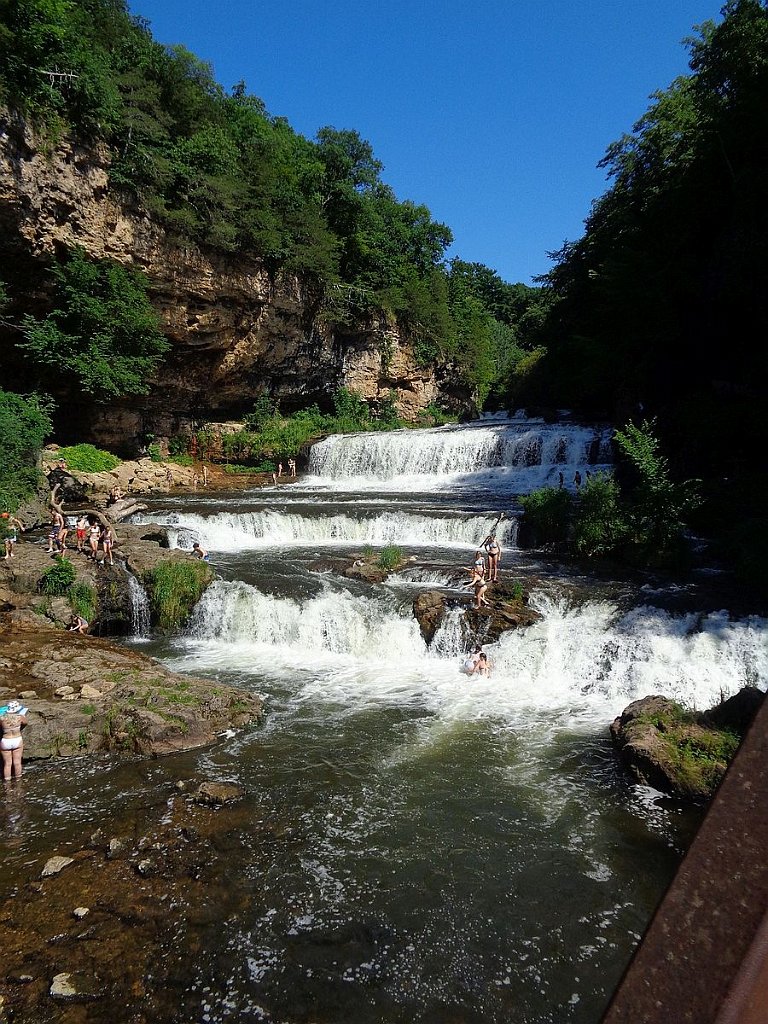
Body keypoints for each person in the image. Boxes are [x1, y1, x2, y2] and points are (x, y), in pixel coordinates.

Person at [0, 699, 28, 781]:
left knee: (7, 764)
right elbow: (25, 723)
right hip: (17, 740)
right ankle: (18, 781)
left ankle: (7, 783)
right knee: (17, 763)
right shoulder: (20, 717)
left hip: (6, 741)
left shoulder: (2, 719)